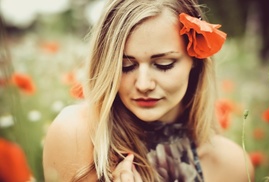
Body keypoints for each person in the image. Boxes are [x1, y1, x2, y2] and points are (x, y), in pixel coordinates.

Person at [43, 0, 255, 181]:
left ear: (195, 61)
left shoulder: (232, 165)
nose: (143, 84)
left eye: (163, 64)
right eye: (126, 66)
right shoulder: (79, 135)